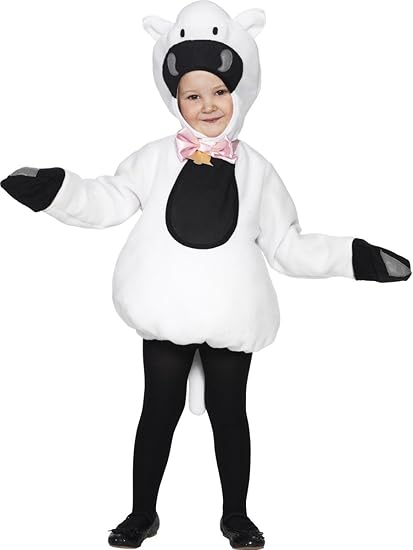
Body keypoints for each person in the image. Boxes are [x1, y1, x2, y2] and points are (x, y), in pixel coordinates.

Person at [0, 2, 410, 549]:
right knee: (157, 411)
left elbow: (287, 244)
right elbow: (107, 199)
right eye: (192, 95)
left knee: (230, 413)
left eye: (219, 91)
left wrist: (355, 258)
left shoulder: (258, 170)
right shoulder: (152, 158)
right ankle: (142, 513)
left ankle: (236, 515)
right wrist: (57, 190)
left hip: (230, 312)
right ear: (173, 98)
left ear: (243, 88)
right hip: (166, 309)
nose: (208, 105)